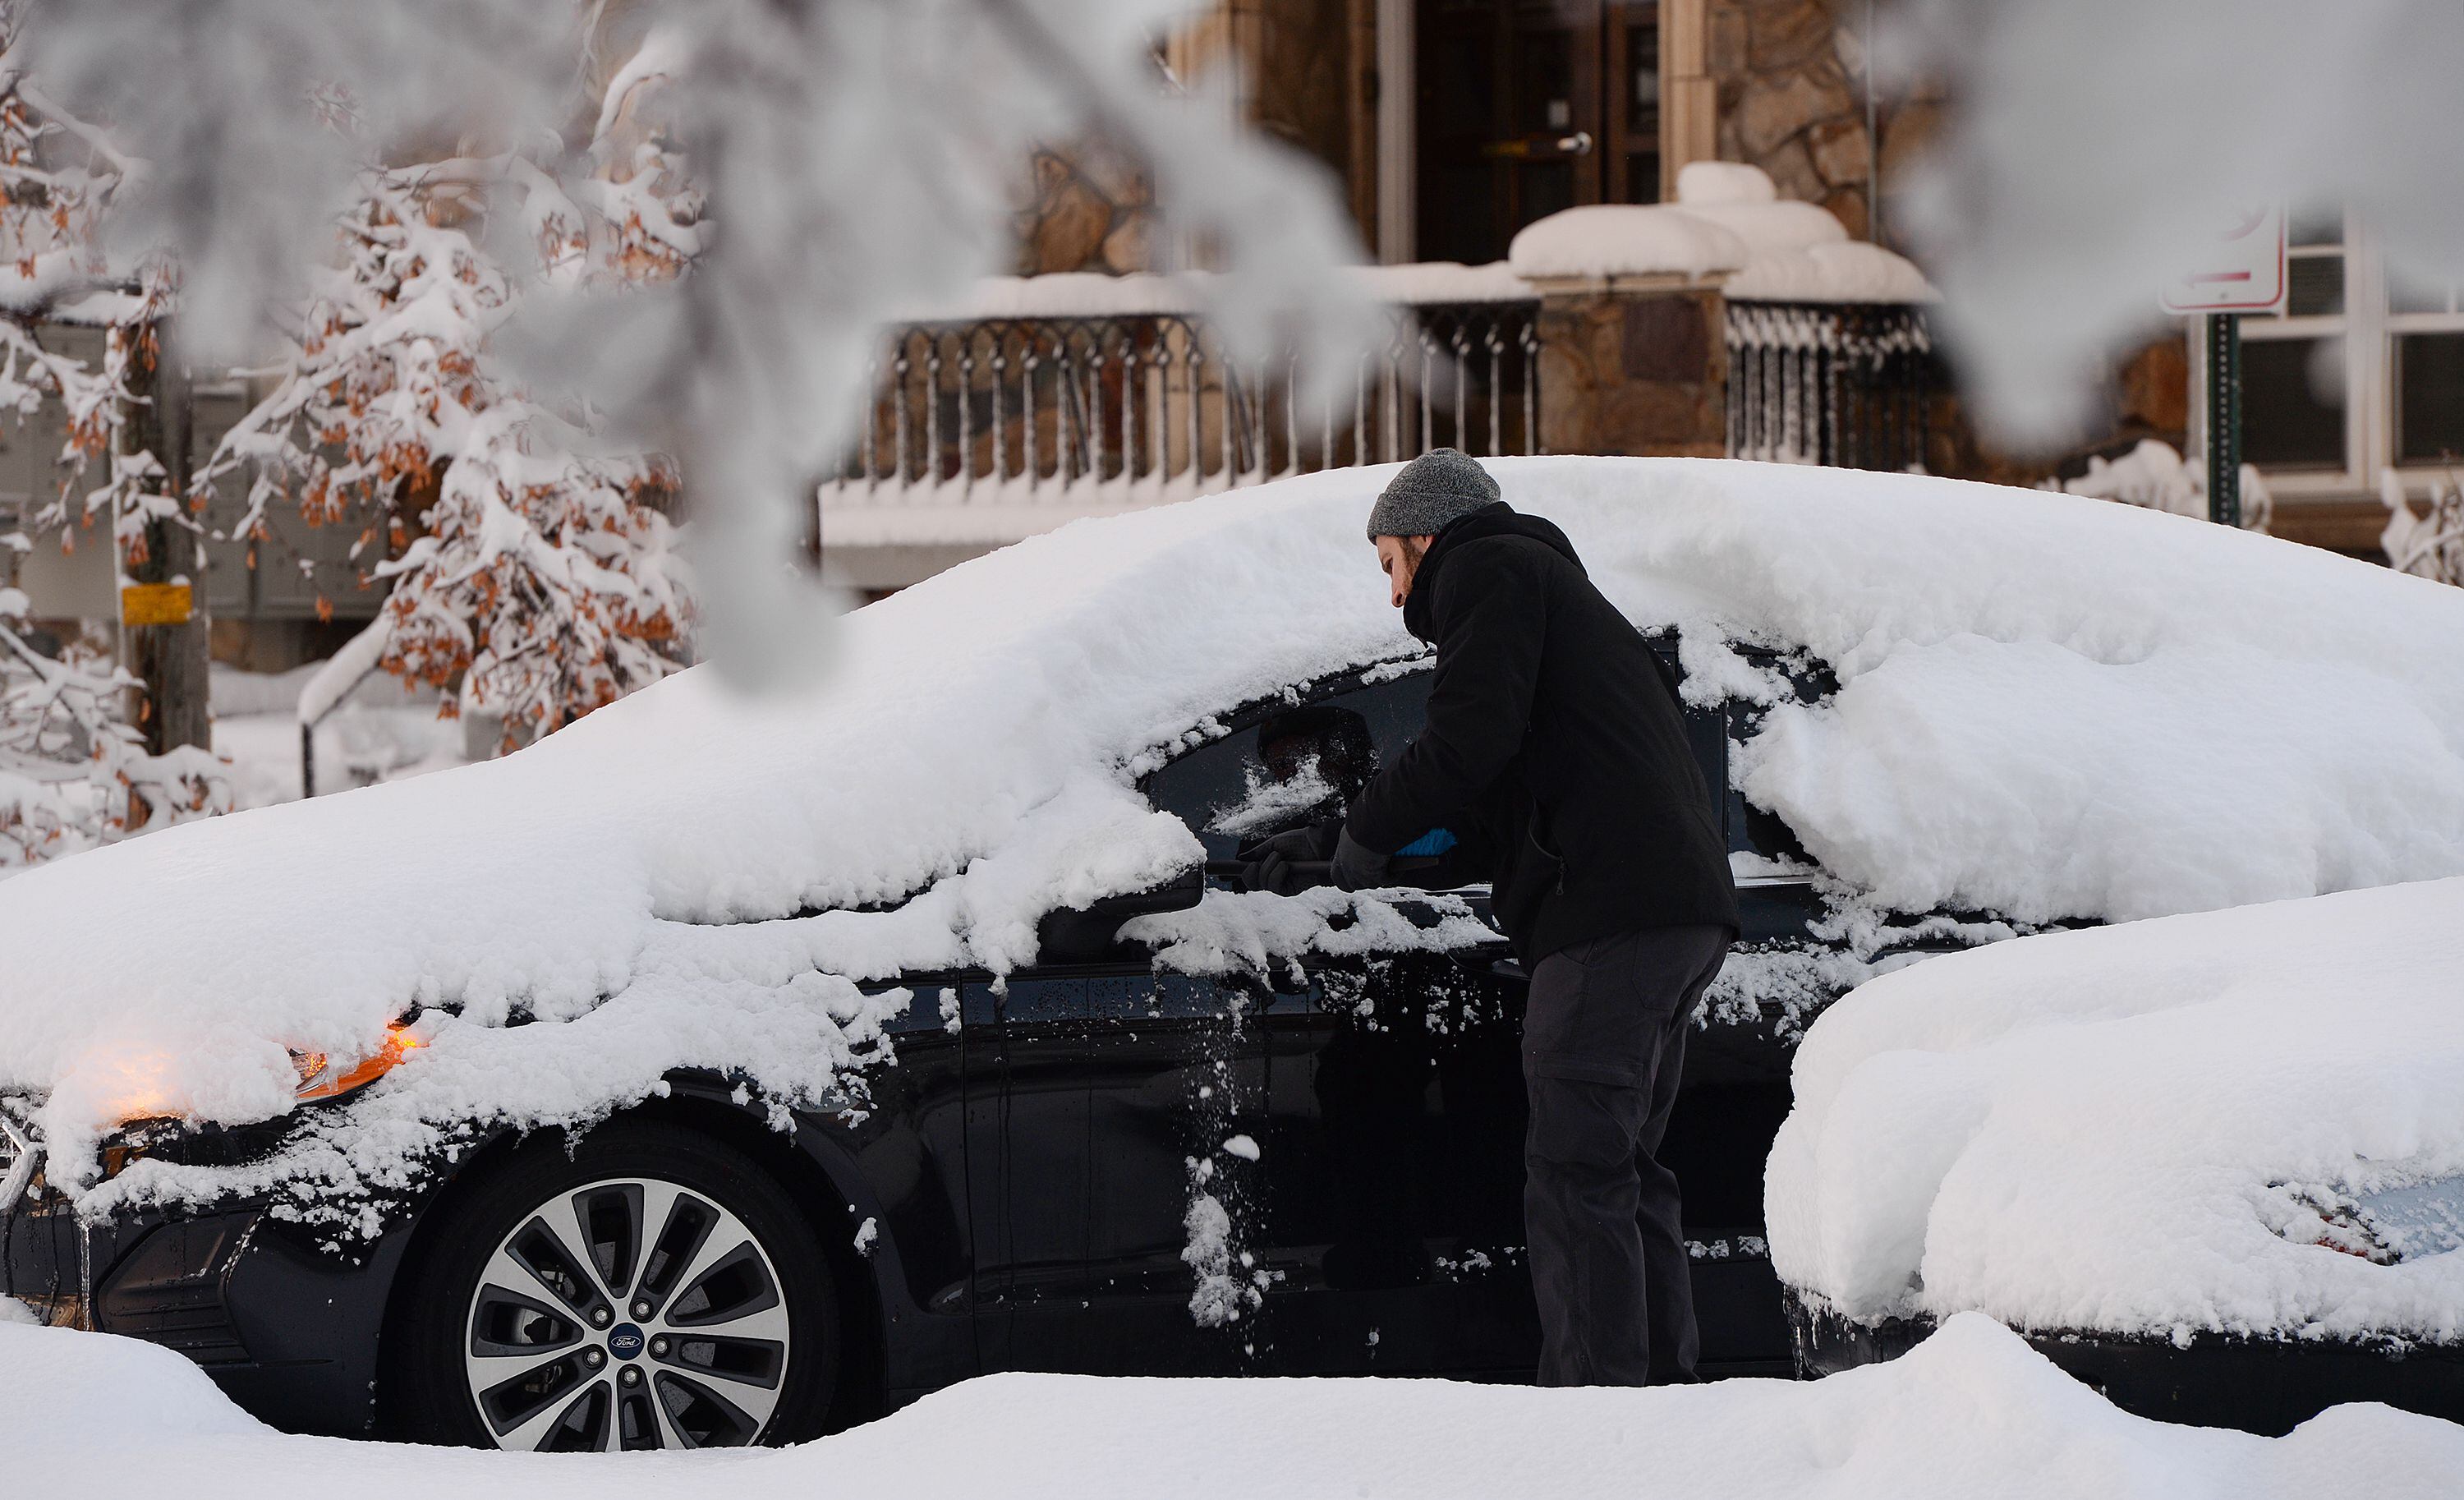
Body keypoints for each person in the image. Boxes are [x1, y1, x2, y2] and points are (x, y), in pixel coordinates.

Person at [1316, 447, 1738, 1387]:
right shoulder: (1556, 596)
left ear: (1427, 537)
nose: (1394, 595)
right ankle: (1665, 1408)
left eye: (1389, 562)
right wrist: (1360, 846)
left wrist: (1370, 821)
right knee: (1624, 1172)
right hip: (1673, 912)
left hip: (1607, 920)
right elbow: (1500, 796)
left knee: (1576, 1175)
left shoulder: (1488, 567)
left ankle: (1595, 1424)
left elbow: (1464, 741)